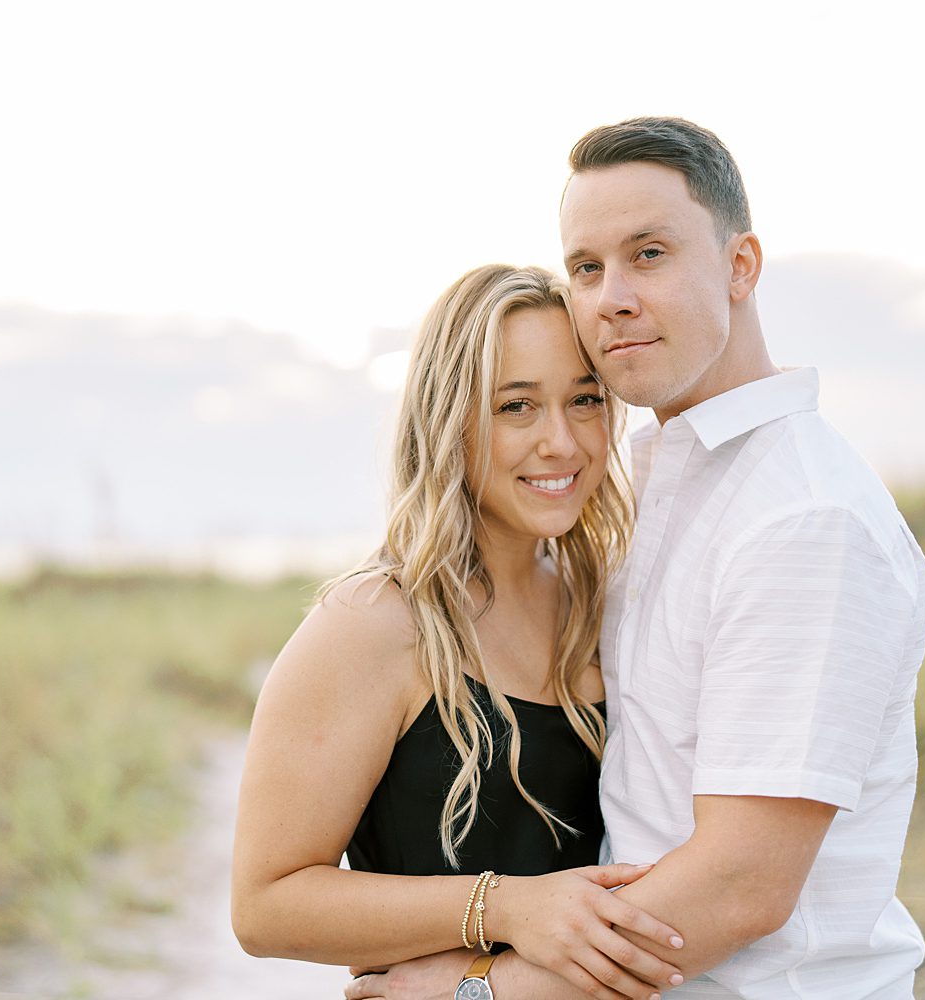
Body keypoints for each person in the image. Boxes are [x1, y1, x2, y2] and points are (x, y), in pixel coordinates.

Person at [345, 119, 925, 1000]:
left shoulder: (801, 518)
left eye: (648, 254)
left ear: (741, 266)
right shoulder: (674, 477)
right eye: (586, 267)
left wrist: (476, 992)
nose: (610, 297)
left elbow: (739, 887)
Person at [230, 263, 691, 1000]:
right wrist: (505, 907)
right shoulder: (374, 623)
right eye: (516, 407)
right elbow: (265, 907)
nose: (561, 443)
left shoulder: (606, 605)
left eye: (584, 399)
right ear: (450, 419)